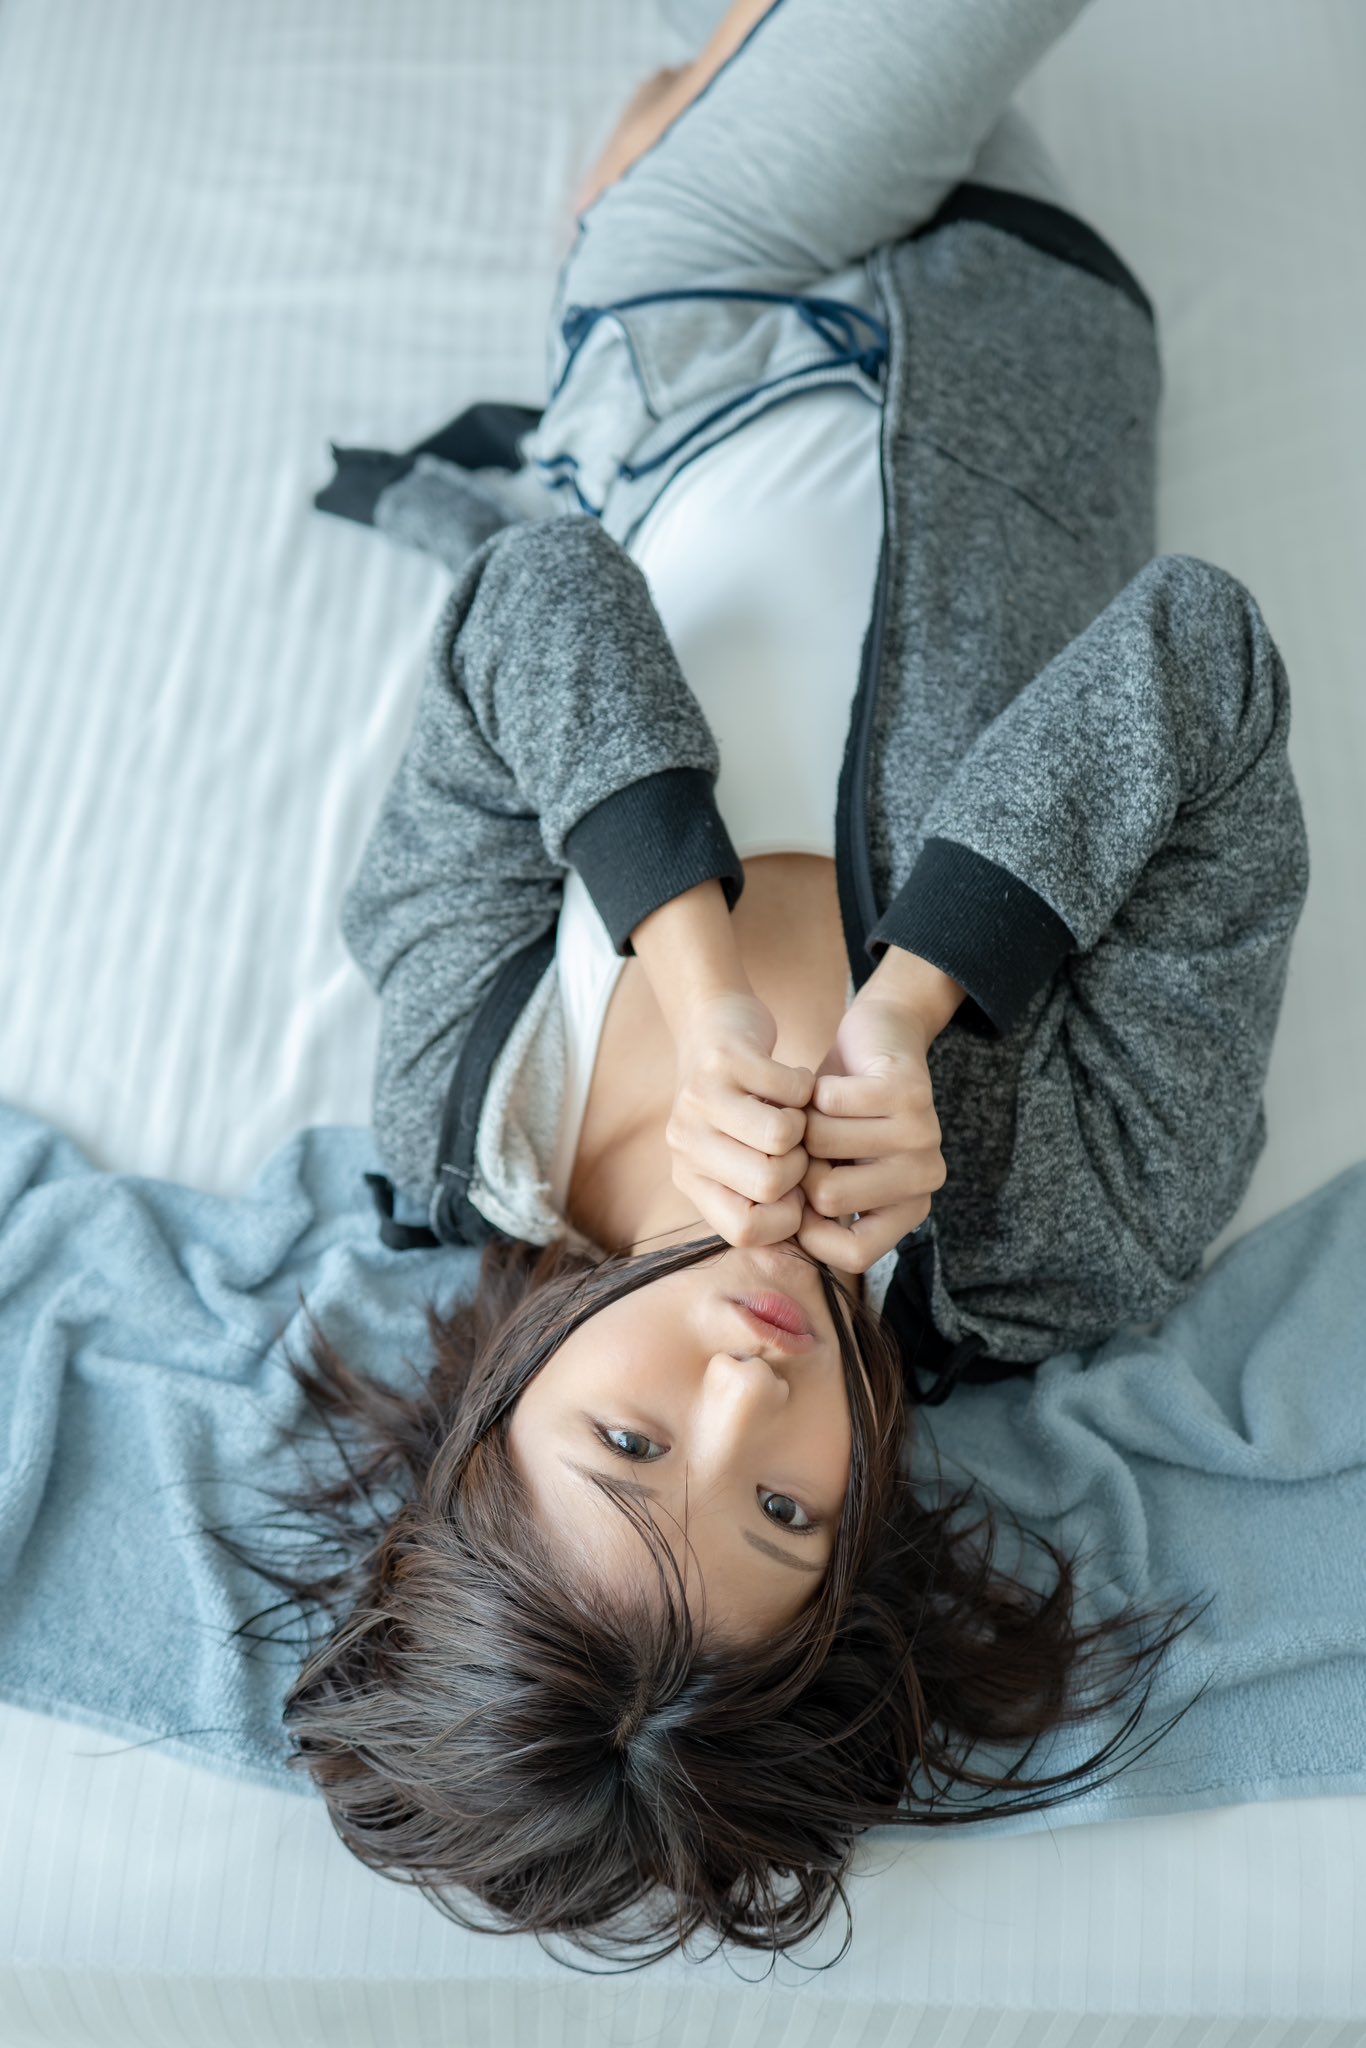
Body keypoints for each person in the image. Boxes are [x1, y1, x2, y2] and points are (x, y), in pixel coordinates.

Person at [263, 0, 1309, 1965]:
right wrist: (916, 1007)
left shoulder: (464, 1098)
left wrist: (693, 981)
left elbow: (534, 597)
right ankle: (680, 104)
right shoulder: (1069, 1236)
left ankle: (661, 154)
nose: (751, 1388)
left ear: (493, 1417)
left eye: (632, 1448)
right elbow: (1199, 658)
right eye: (783, 1516)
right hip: (1022, 324)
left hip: (705, 315)